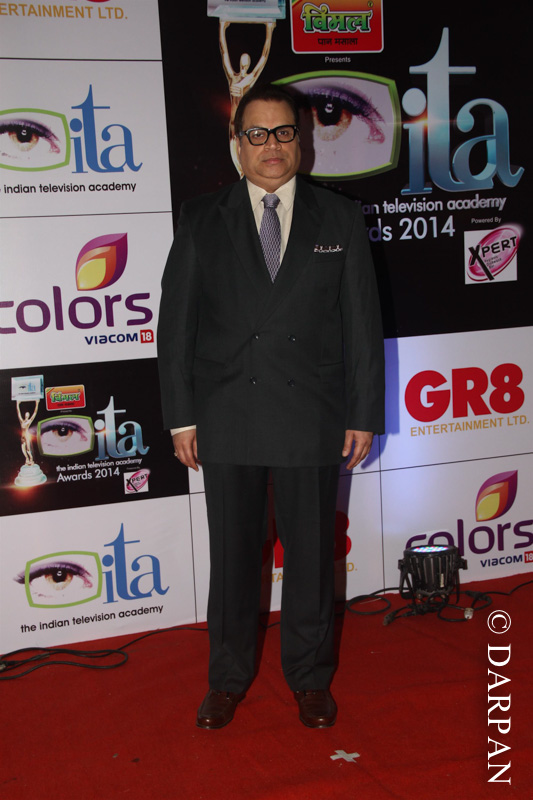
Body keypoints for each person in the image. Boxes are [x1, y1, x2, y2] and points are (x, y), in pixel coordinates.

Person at [157, 84, 385, 730]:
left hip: (310, 414)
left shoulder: (338, 218)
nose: (271, 146)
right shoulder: (201, 217)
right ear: (237, 144)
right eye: (255, 134)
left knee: (311, 557)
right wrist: (182, 417)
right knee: (233, 559)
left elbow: (361, 324)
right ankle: (226, 679)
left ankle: (309, 678)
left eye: (283, 132)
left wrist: (363, 413)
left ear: (301, 140)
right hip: (227, 414)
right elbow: (176, 327)